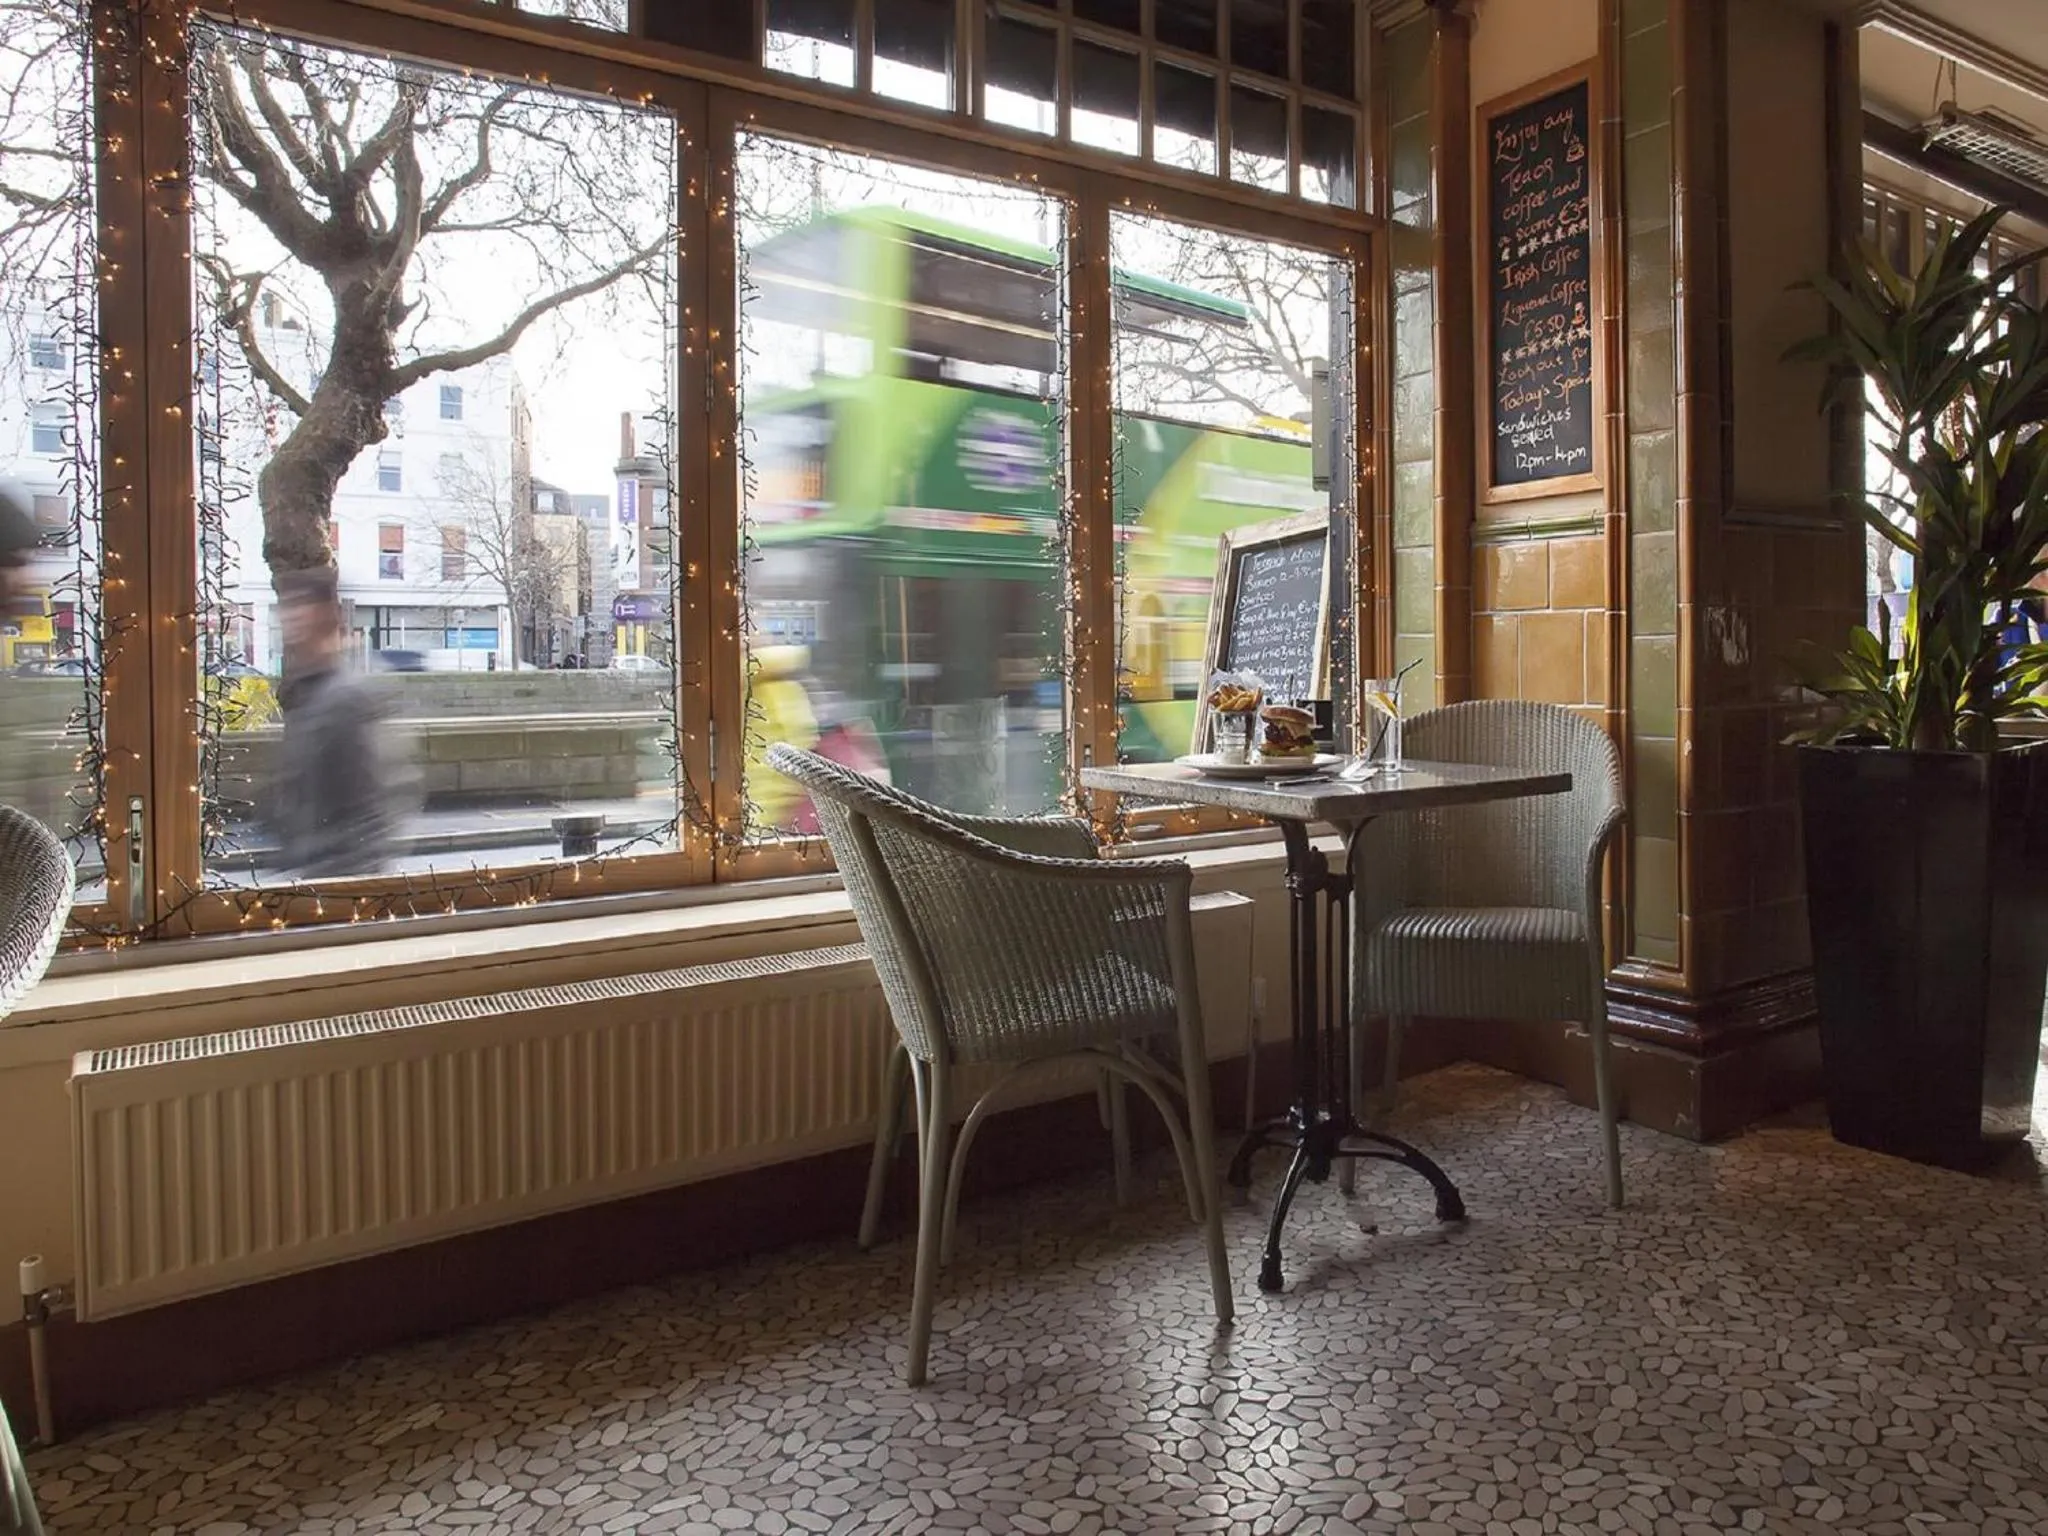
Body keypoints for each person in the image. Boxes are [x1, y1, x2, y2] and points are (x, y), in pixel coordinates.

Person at [271, 566, 398, 878]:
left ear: (325, 615)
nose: (290, 621)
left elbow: (372, 810)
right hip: (318, 877)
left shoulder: (345, 699)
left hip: (339, 883)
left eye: (298, 607)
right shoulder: (308, 691)